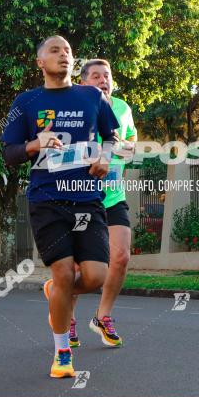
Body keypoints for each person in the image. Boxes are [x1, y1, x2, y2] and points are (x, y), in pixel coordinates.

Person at [1, 35, 119, 378]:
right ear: (40, 62)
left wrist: (105, 158)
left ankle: (56, 292)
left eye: (67, 50)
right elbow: (8, 153)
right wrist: (34, 144)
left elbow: (111, 136)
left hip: (86, 195)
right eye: (55, 51)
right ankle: (62, 354)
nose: (64, 55)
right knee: (65, 271)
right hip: (47, 200)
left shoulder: (91, 96)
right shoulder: (27, 101)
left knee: (96, 276)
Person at [69, 59, 137, 348]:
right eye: (95, 76)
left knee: (120, 257)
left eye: (106, 75)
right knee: (75, 267)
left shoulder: (122, 108)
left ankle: (102, 317)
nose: (102, 80)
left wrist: (115, 147)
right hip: (78, 195)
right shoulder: (72, 108)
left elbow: (131, 147)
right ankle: (66, 319)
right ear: (83, 83)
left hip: (112, 195)